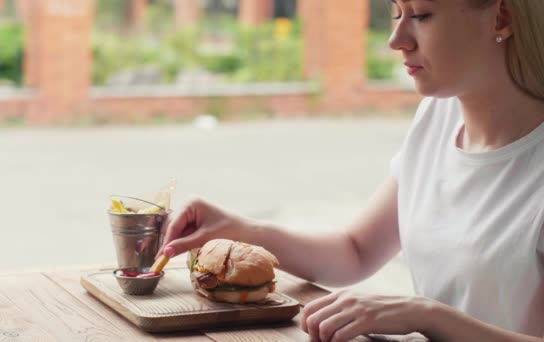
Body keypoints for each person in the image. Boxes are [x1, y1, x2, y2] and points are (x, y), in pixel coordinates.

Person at [157, 0, 544, 340]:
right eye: (396, 12)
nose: (396, 40)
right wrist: (242, 231)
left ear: (501, 17)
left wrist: (425, 315)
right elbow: (355, 251)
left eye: (422, 15)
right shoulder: (438, 116)